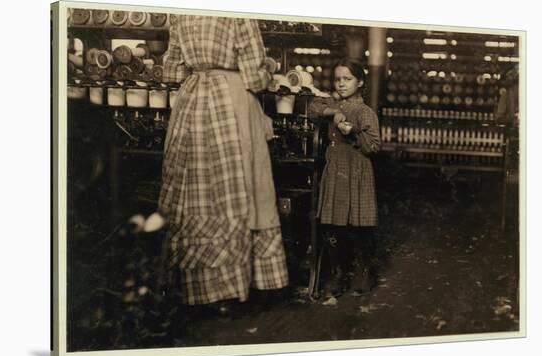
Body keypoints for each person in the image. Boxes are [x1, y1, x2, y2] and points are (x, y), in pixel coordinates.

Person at [158, 15, 288, 310]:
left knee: (191, 188)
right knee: (240, 185)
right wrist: (269, 70)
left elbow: (172, 70)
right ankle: (231, 290)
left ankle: (193, 289)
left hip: (191, 99)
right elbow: (254, 75)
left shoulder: (180, 13)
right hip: (231, 99)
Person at [307, 58, 381, 298]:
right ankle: (338, 275)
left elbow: (373, 146)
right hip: (336, 169)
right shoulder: (332, 103)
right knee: (334, 224)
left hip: (357, 171)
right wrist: (334, 113)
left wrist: (355, 134)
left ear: (359, 82)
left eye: (347, 79)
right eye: (337, 79)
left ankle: (364, 273)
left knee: (359, 225)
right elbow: (312, 107)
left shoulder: (364, 111)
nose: (341, 84)